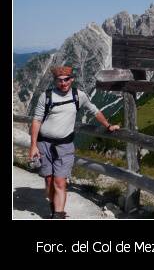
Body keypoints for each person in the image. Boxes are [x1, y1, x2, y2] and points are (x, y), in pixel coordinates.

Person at [28, 66, 120, 219]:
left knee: (60, 182)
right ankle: (54, 207)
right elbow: (36, 120)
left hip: (65, 145)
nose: (63, 83)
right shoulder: (46, 96)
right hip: (44, 143)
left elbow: (94, 110)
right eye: (60, 80)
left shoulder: (79, 95)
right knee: (49, 181)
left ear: (72, 79)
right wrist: (33, 146)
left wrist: (108, 126)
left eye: (66, 79)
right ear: (55, 80)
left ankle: (58, 215)